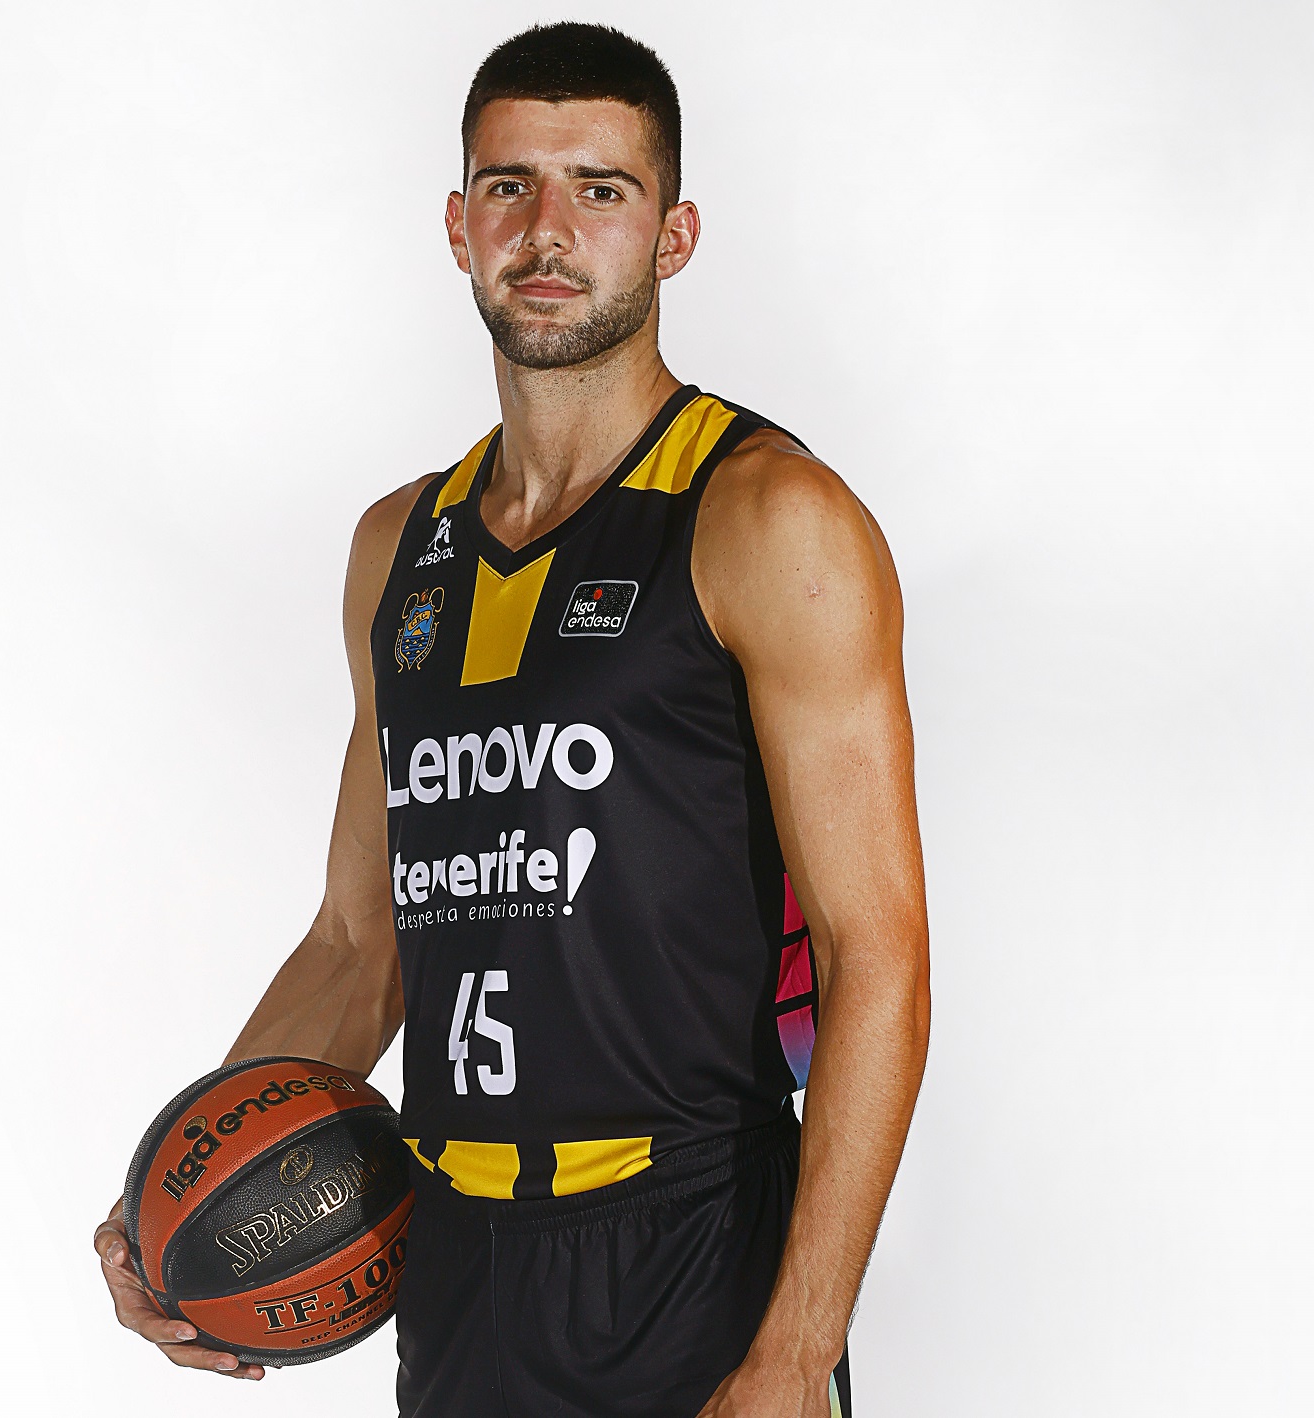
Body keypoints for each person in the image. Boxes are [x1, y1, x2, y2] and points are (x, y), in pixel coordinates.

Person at [94, 23, 929, 1417]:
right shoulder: (397, 548)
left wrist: (794, 1349)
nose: (548, 229)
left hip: (691, 1243)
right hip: (457, 1261)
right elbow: (358, 943)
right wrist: (179, 1209)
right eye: (509, 186)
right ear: (457, 224)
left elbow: (876, 956)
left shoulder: (768, 518)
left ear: (672, 236)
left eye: (600, 189)